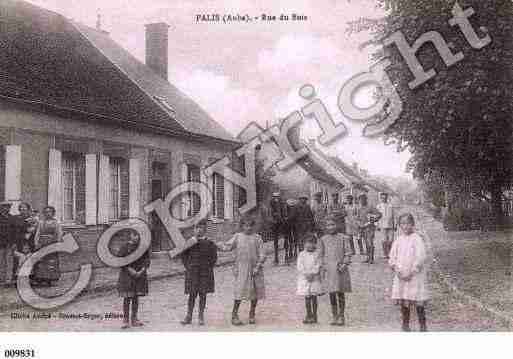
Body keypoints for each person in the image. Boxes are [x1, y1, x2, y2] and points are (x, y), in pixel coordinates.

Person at [217, 216, 266, 326]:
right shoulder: (238, 236)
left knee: (255, 292)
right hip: (242, 268)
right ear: (242, 226)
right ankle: (234, 315)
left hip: (255, 269)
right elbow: (227, 247)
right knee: (239, 291)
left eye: (250, 226)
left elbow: (263, 254)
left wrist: (258, 266)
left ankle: (252, 313)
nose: (248, 228)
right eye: (245, 225)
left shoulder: (257, 238)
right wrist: (219, 245)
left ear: (253, 226)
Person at [389, 213, 429, 332]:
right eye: (402, 224)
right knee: (404, 299)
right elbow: (392, 257)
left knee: (418, 300)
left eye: (408, 223)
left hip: (415, 275)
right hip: (401, 275)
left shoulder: (417, 239)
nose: (405, 226)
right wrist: (396, 269)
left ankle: (423, 326)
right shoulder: (398, 240)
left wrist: (412, 271)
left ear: (413, 224)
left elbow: (421, 256)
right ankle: (405, 325)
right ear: (399, 225)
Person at [180, 220, 218, 326]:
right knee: (192, 294)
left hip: (204, 273)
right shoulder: (189, 242)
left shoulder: (209, 243)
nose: (199, 230)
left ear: (205, 230)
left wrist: (208, 267)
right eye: (197, 228)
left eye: (201, 228)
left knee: (203, 294)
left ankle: (201, 316)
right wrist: (188, 267)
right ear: (194, 229)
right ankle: (188, 316)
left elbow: (214, 257)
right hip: (193, 272)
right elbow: (183, 256)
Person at [318, 216, 352, 326]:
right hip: (329, 270)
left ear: (337, 225)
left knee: (340, 293)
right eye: (328, 225)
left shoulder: (343, 238)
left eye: (333, 224)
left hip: (340, 269)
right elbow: (321, 255)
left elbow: (348, 253)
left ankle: (342, 316)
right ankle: (334, 315)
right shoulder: (323, 239)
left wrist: (344, 264)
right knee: (332, 293)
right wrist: (324, 266)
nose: (331, 227)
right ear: (325, 227)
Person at [118, 230, 150, 329]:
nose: (136, 237)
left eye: (138, 235)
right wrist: (130, 270)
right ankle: (126, 320)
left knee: (136, 297)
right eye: (134, 235)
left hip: (139, 275)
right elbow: (120, 261)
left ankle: (134, 318)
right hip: (127, 276)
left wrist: (142, 270)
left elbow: (147, 260)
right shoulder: (124, 247)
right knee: (127, 298)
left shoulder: (143, 247)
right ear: (130, 236)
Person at [297, 233, 324, 324]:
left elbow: (318, 264)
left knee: (314, 296)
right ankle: (308, 314)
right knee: (307, 297)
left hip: (314, 278)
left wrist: (313, 273)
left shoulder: (317, 254)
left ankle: (315, 315)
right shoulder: (301, 254)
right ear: (304, 244)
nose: (309, 245)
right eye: (307, 243)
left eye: (312, 243)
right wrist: (306, 274)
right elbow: (299, 266)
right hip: (305, 278)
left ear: (315, 244)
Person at [33, 206, 62, 287]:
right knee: (41, 261)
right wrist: (36, 243)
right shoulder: (41, 222)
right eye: (46, 212)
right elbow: (37, 234)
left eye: (49, 212)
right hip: (42, 243)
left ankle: (50, 279)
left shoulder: (56, 223)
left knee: (51, 261)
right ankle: (42, 279)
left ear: (53, 213)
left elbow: (59, 234)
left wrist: (57, 244)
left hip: (51, 243)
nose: (47, 214)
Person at [12, 202, 39, 283]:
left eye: (24, 208)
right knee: (18, 259)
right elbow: (13, 231)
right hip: (19, 241)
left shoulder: (33, 218)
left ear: (28, 209)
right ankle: (17, 278)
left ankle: (30, 278)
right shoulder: (15, 218)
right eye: (21, 208)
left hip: (30, 241)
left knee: (29, 258)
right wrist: (14, 242)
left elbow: (37, 230)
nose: (22, 209)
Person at [356, 194, 382, 264]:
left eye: (363, 199)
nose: (361, 201)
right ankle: (368, 257)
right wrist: (359, 224)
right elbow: (358, 218)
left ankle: (371, 258)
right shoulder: (360, 209)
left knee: (370, 243)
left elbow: (379, 214)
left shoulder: (370, 207)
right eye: (360, 200)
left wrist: (373, 220)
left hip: (369, 228)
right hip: (362, 228)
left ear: (366, 200)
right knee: (366, 243)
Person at [377, 192, 396, 259]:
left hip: (390, 225)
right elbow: (377, 217)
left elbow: (394, 216)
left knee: (391, 240)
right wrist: (377, 225)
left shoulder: (390, 206)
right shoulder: (378, 206)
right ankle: (385, 253)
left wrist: (395, 225)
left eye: (385, 198)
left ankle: (390, 253)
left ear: (387, 198)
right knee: (384, 240)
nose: (384, 199)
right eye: (382, 198)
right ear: (381, 198)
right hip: (382, 225)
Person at [269, 192, 286, 265]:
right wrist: (273, 218)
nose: (276, 198)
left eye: (277, 197)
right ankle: (276, 258)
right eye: (275, 197)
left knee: (286, 237)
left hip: (281, 222)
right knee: (275, 241)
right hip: (274, 223)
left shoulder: (282, 204)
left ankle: (286, 257)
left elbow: (283, 212)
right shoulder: (271, 203)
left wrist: (283, 218)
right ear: (273, 197)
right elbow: (270, 212)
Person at [0, 202, 14, 287]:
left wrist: (14, 243)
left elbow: (14, 232)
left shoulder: (12, 218)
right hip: (0, 243)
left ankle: (8, 280)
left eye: (8, 207)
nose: (6, 209)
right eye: (4, 207)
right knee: (1, 262)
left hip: (10, 243)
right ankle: (1, 279)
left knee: (9, 262)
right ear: (1, 208)